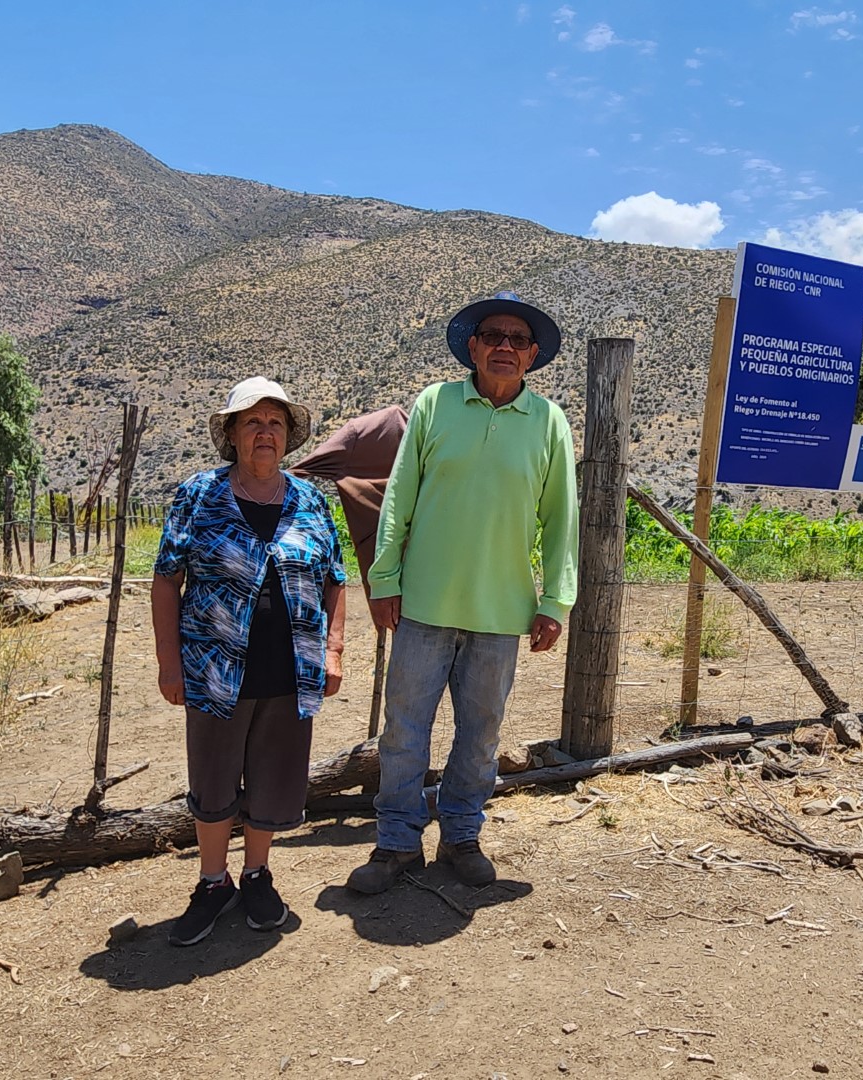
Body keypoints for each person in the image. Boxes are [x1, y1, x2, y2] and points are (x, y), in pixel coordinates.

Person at [346, 292, 578, 894]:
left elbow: (561, 518)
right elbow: (399, 497)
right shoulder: (435, 404)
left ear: (531, 356)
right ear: (472, 348)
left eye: (517, 340)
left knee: (480, 734)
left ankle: (460, 837)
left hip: (502, 611)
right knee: (403, 731)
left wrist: (555, 600)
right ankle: (396, 842)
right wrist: (385, 578)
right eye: (492, 336)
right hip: (423, 602)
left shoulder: (549, 421)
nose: (504, 346)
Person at [152, 376, 347, 945]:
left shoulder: (310, 499)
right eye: (253, 422)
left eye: (276, 423)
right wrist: (170, 665)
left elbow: (336, 581)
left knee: (274, 778)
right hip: (214, 667)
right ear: (232, 435)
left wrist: (333, 650)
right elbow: (167, 582)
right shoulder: (199, 495)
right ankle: (213, 882)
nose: (265, 433)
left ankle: (256, 873)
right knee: (213, 780)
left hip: (291, 669)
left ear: (288, 437)